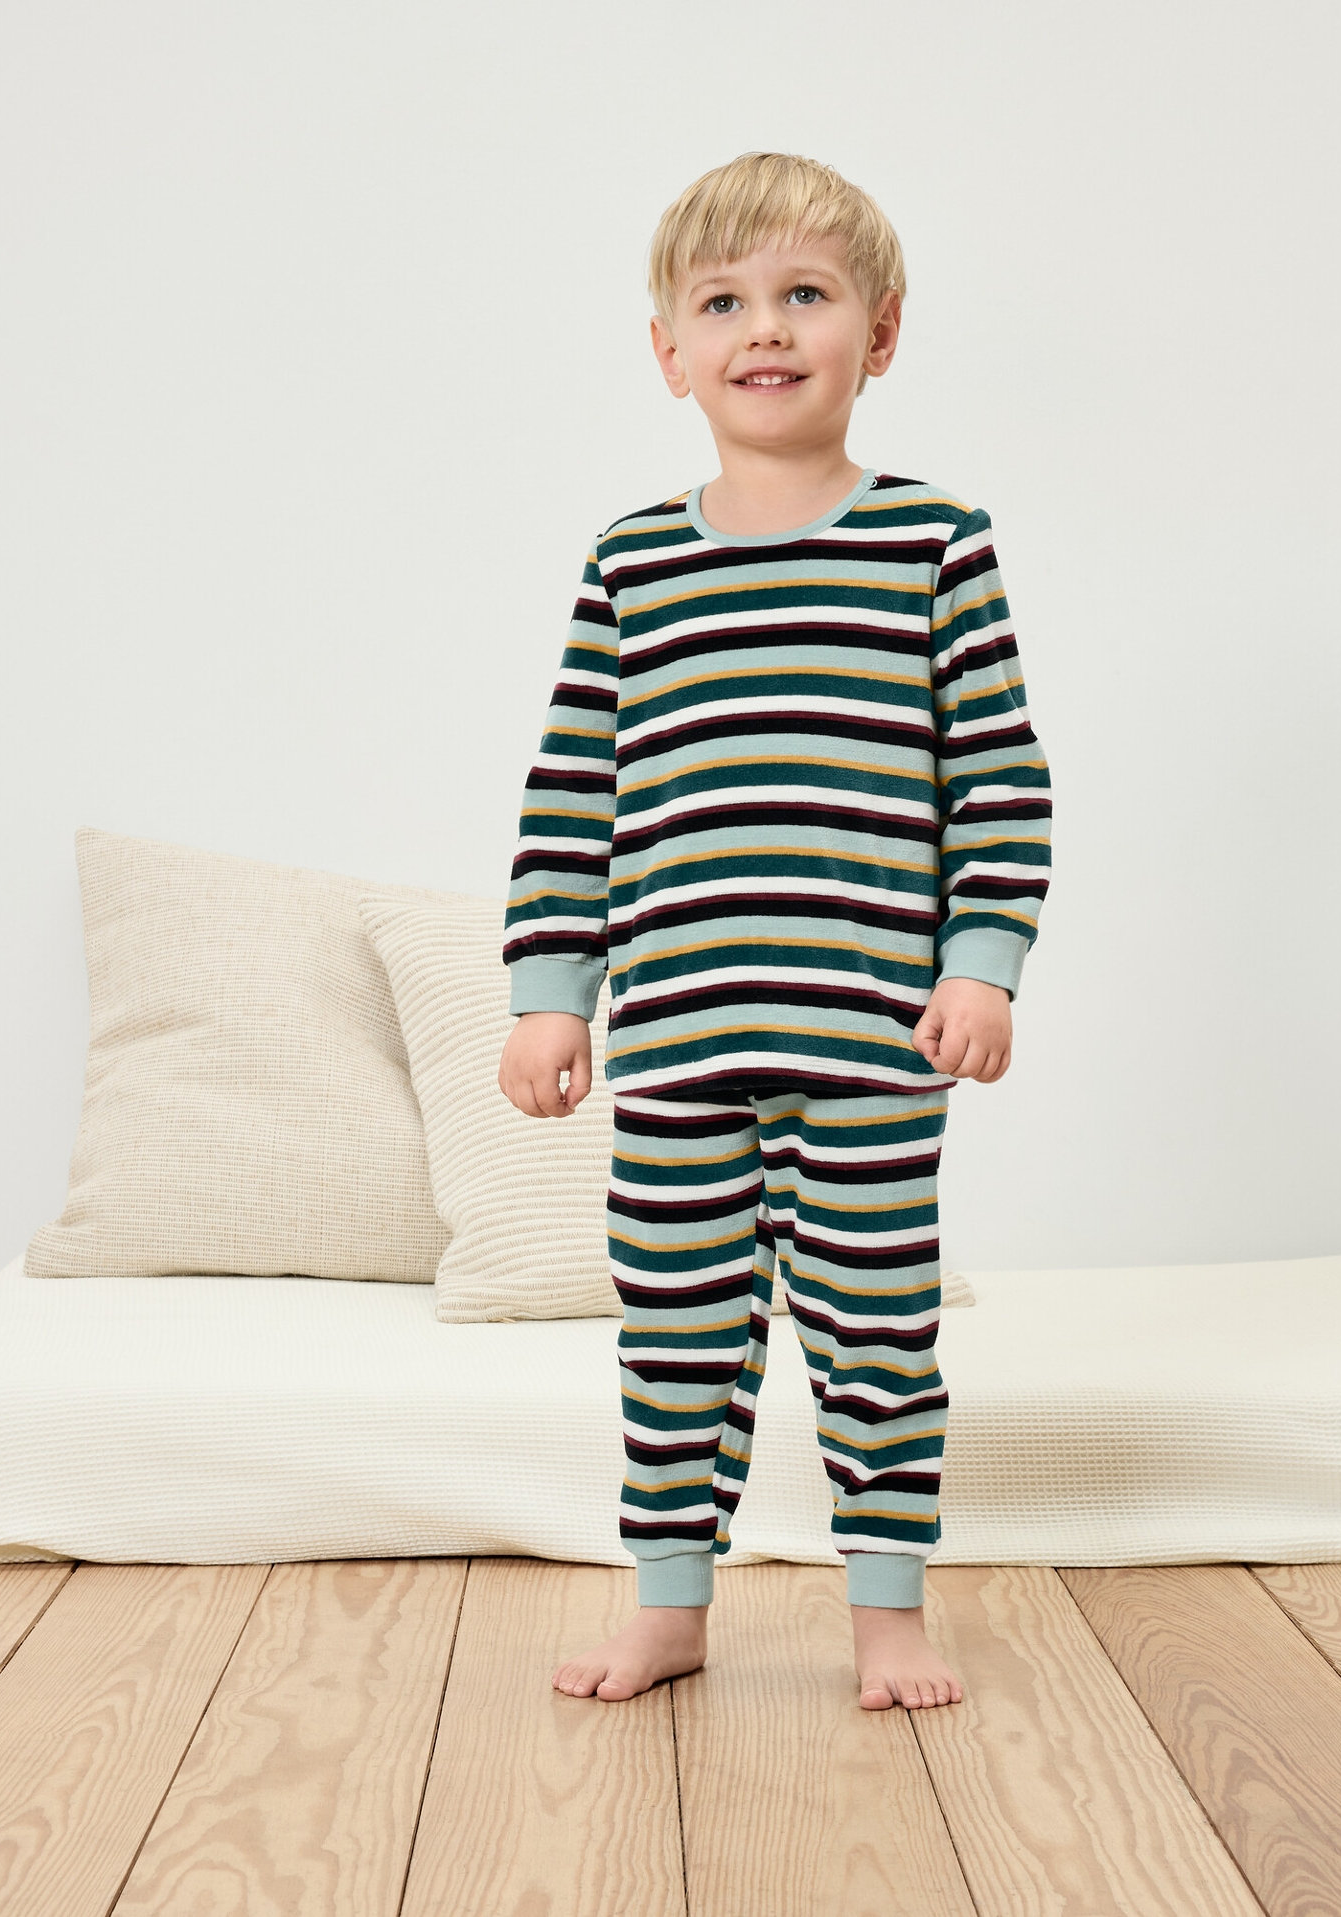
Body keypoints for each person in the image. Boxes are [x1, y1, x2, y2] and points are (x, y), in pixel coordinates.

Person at [496, 151, 1053, 1712]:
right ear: (667, 351)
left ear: (877, 333)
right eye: (723, 301)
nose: (765, 327)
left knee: (875, 1337)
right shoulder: (632, 562)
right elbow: (570, 798)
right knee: (677, 1340)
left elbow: (1001, 780)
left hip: (872, 1041)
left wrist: (978, 965)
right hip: (676, 1039)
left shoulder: (933, 543)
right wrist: (553, 995)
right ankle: (668, 1601)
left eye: (804, 295)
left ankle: (886, 1614)